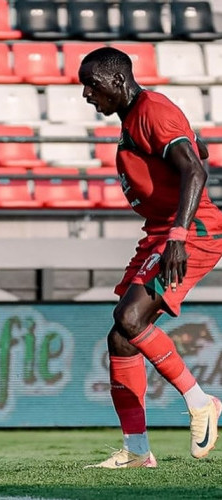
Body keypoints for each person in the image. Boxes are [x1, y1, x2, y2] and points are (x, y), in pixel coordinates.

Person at [78, 46, 222, 469]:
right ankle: (138, 451)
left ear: (118, 81)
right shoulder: (136, 119)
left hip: (190, 233)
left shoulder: (151, 111)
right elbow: (201, 151)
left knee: (130, 320)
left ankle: (201, 403)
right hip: (161, 232)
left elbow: (197, 169)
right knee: (121, 337)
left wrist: (177, 234)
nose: (87, 94)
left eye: (92, 84)